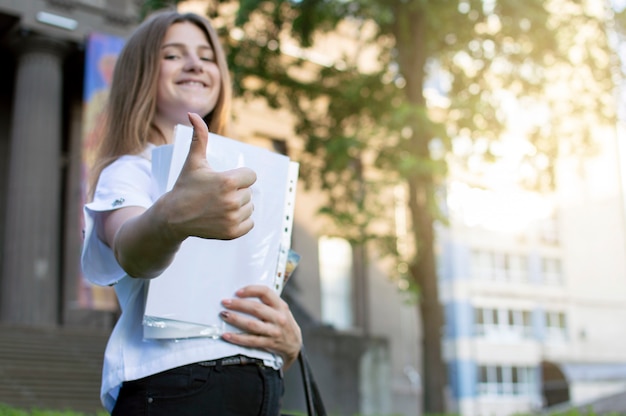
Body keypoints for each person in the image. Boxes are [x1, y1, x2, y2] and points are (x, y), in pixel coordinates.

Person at [81, 8, 302, 415]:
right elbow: (131, 248)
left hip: (260, 385)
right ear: (139, 75)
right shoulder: (130, 169)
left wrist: (287, 343)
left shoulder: (240, 177)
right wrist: (170, 218)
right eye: (172, 54)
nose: (195, 63)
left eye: (207, 54)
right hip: (175, 385)